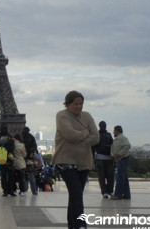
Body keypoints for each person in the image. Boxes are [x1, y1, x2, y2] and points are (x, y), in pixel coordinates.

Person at [51, 91, 98, 229]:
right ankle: (80, 224)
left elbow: (96, 137)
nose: (79, 106)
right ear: (68, 104)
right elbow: (69, 134)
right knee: (76, 193)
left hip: (83, 161)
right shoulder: (62, 115)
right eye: (75, 104)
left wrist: (81, 138)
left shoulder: (87, 116)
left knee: (75, 195)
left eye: (81, 103)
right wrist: (86, 133)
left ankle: (73, 224)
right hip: (66, 160)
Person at [92, 121, 114, 198]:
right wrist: (93, 159)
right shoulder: (97, 135)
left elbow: (112, 144)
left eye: (104, 125)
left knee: (110, 176)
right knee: (101, 176)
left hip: (109, 158)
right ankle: (104, 192)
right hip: (100, 158)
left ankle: (110, 191)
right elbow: (93, 147)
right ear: (100, 126)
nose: (103, 126)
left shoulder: (108, 135)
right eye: (102, 125)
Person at [110, 125, 131, 200]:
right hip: (120, 160)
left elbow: (127, 145)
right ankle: (126, 194)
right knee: (124, 178)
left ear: (117, 131)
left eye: (114, 131)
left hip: (123, 159)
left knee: (120, 177)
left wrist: (119, 154)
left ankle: (118, 195)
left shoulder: (122, 138)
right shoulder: (118, 138)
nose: (113, 132)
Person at [0, 124, 15, 197]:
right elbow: (12, 145)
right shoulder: (10, 136)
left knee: (5, 175)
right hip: (8, 157)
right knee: (9, 175)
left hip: (3, 157)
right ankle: (9, 190)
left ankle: (6, 190)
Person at [22, 127, 39, 195]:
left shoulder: (21, 136)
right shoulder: (31, 137)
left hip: (23, 158)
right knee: (31, 174)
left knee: (23, 175)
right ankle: (33, 190)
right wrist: (32, 152)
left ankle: (23, 189)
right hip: (29, 158)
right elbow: (35, 146)